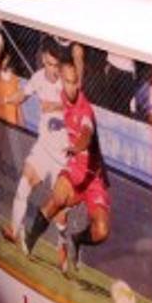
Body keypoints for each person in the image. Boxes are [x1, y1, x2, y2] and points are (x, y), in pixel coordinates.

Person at [23, 48, 111, 273]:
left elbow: (86, 133)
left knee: (102, 232)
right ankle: (29, 240)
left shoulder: (86, 110)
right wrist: (54, 106)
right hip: (75, 169)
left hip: (94, 177)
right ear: (62, 81)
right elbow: (65, 103)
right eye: (68, 82)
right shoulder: (63, 96)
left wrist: (78, 146)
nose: (73, 87)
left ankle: (77, 239)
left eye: (75, 82)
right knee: (57, 201)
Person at [0, 37, 69, 252]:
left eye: (56, 65)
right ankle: (14, 230)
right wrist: (7, 100)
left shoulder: (67, 80)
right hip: (43, 148)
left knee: (59, 210)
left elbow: (78, 107)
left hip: (63, 155)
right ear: (43, 60)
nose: (53, 69)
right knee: (24, 183)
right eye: (48, 64)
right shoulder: (38, 77)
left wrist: (55, 106)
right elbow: (23, 94)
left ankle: (62, 243)